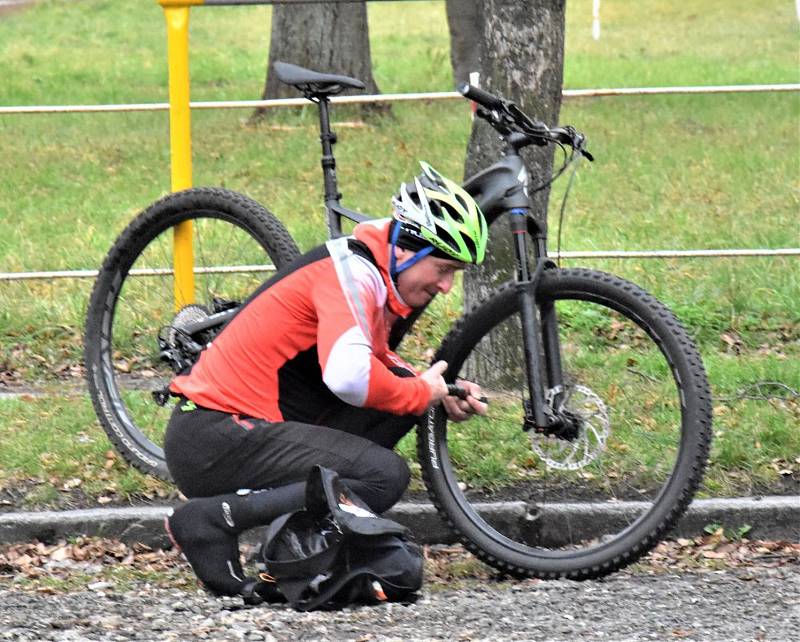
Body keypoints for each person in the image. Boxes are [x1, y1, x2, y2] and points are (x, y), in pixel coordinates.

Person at [163, 162, 489, 603]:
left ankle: (297, 547)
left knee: (402, 409)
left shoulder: (369, 270)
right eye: (444, 269)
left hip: (237, 428)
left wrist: (439, 392)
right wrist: (419, 391)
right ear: (405, 250)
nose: (447, 286)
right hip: (215, 434)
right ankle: (210, 520)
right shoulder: (351, 275)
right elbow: (349, 377)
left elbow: (373, 364)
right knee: (382, 476)